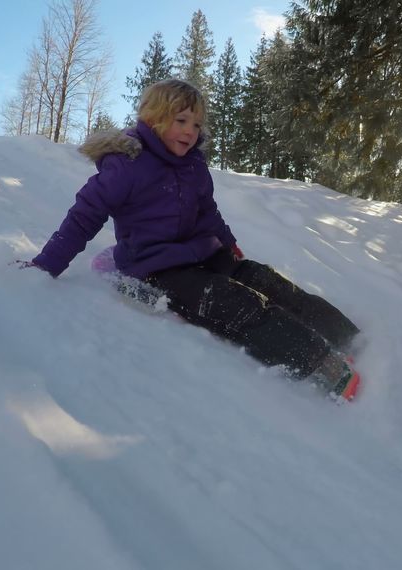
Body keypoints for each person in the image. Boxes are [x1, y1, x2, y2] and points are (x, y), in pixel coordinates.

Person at [21, 79, 361, 400]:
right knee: (239, 304)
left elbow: (207, 209)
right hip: (158, 266)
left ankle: (348, 337)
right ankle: (321, 366)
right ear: (153, 120)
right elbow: (84, 216)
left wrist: (227, 243)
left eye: (196, 124)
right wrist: (46, 264)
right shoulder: (127, 167)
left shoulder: (193, 165)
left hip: (203, 252)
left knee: (261, 278)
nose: (190, 131)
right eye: (181, 120)